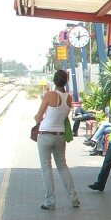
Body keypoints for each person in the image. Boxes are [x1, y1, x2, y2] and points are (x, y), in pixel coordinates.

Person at [34, 69, 80, 210]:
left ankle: (50, 202)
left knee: (46, 168)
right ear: (66, 81)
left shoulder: (50, 95)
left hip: (45, 134)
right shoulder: (69, 98)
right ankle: (74, 199)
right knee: (62, 166)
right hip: (60, 136)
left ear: (54, 81)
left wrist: (38, 118)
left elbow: (38, 116)